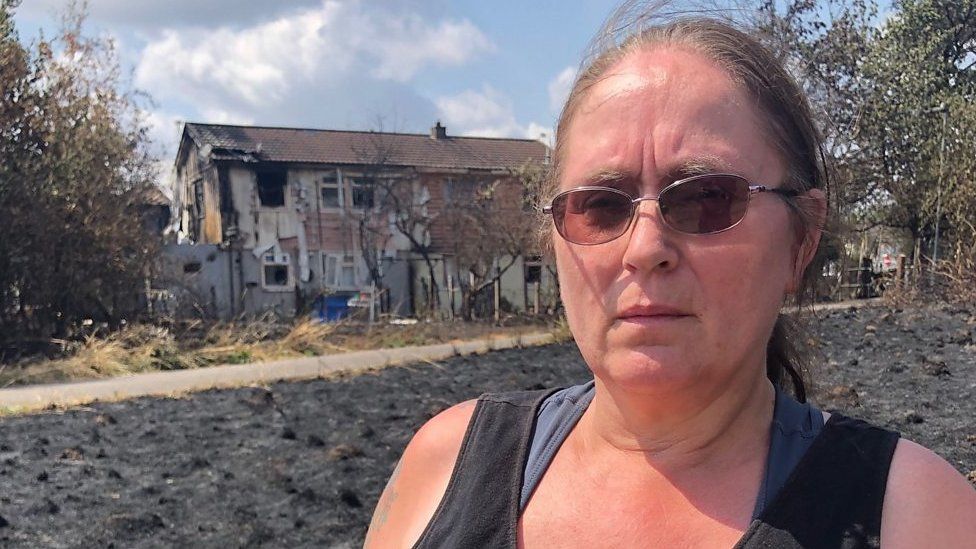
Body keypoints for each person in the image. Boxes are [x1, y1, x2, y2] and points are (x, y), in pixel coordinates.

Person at [364, 6, 976, 549]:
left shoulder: (914, 517)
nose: (645, 248)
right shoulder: (446, 464)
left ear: (802, 238)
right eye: (601, 205)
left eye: (708, 198)